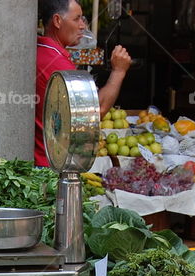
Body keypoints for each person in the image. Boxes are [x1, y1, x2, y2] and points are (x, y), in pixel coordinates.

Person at [35, 0, 131, 167]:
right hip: (51, 164)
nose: (82, 26)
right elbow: (93, 114)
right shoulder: (56, 62)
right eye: (76, 19)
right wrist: (118, 72)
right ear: (57, 21)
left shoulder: (42, 50)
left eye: (83, 19)